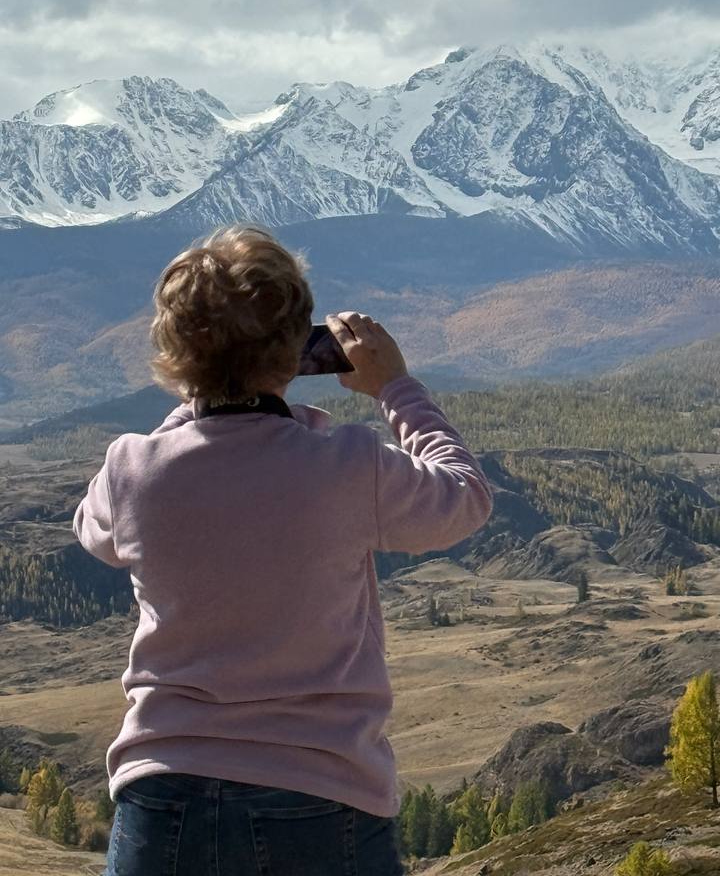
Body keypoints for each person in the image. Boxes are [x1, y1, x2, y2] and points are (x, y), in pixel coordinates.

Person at [73, 224, 494, 876]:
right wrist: (395, 389)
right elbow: (465, 497)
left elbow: (93, 531)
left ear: (176, 353)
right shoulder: (347, 466)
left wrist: (198, 404)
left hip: (162, 797)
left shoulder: (132, 468)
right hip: (322, 798)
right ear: (299, 350)